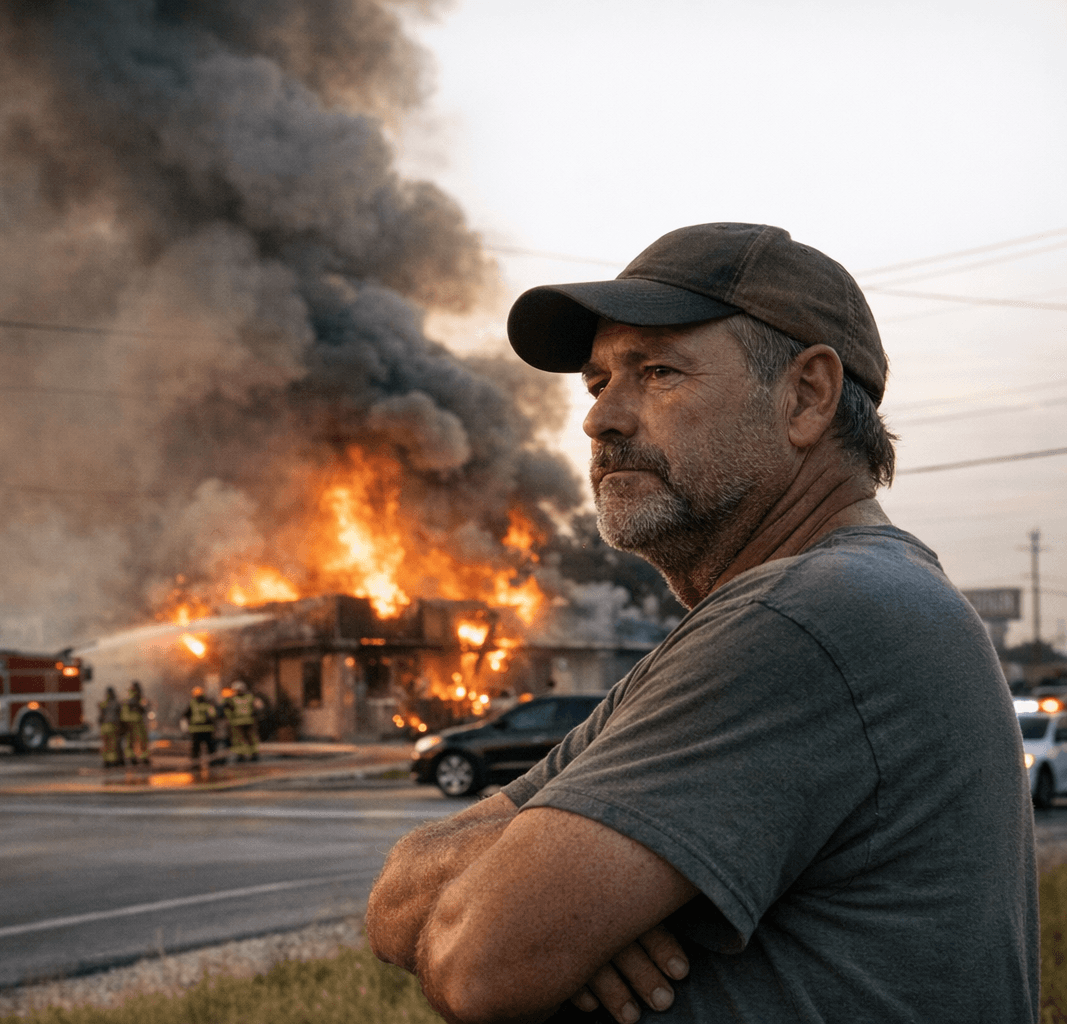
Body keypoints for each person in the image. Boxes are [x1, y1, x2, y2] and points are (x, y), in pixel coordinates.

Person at [365, 223, 1037, 1023]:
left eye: (658, 372)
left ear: (806, 396)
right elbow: (395, 902)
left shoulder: (806, 618)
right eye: (597, 382)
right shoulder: (810, 608)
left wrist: (533, 895)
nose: (600, 419)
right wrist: (542, 889)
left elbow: (476, 963)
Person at [181, 685, 219, 771]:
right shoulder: (208, 703)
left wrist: (185, 727)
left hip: (197, 730)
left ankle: (196, 765)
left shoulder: (192, 704)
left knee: (196, 749)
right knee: (210, 748)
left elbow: (185, 715)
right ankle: (212, 764)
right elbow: (214, 715)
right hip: (207, 729)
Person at [222, 680, 262, 762]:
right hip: (249, 721)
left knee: (239, 740)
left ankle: (241, 756)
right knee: (251, 739)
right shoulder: (250, 697)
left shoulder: (231, 699)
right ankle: (254, 755)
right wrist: (256, 716)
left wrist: (230, 719)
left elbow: (226, 710)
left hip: (237, 722)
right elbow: (259, 707)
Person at [121, 680, 150, 765]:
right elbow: (143, 709)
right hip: (136, 721)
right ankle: (142, 757)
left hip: (128, 721)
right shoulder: (137, 698)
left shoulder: (127, 698)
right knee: (141, 739)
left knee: (131, 740)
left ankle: (132, 757)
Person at [96, 685, 122, 768]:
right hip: (112, 726)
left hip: (106, 726)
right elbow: (119, 715)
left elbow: (101, 716)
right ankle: (112, 760)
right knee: (113, 745)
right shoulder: (116, 703)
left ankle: (107, 760)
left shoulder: (103, 704)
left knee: (107, 745)